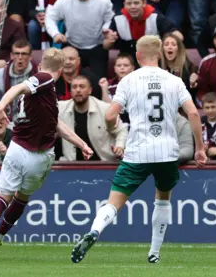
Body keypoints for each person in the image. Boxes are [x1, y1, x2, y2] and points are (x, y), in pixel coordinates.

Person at [71, 36, 207, 264]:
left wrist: (111, 126)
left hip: (137, 152)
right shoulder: (173, 81)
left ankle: (94, 231)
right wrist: (200, 148)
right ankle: (154, 253)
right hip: (166, 151)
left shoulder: (129, 81)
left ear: (138, 56)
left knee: (114, 201)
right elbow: (193, 113)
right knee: (163, 199)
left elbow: (110, 115)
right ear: (160, 54)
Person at [0, 48, 93, 259]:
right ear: (60, 70)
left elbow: (57, 124)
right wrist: (0, 106)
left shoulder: (45, 93)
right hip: (39, 155)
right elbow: (18, 87)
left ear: (41, 64)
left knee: (3, 196)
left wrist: (81, 144)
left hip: (16, 148)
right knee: (21, 198)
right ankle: (0, 234)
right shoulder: (43, 79)